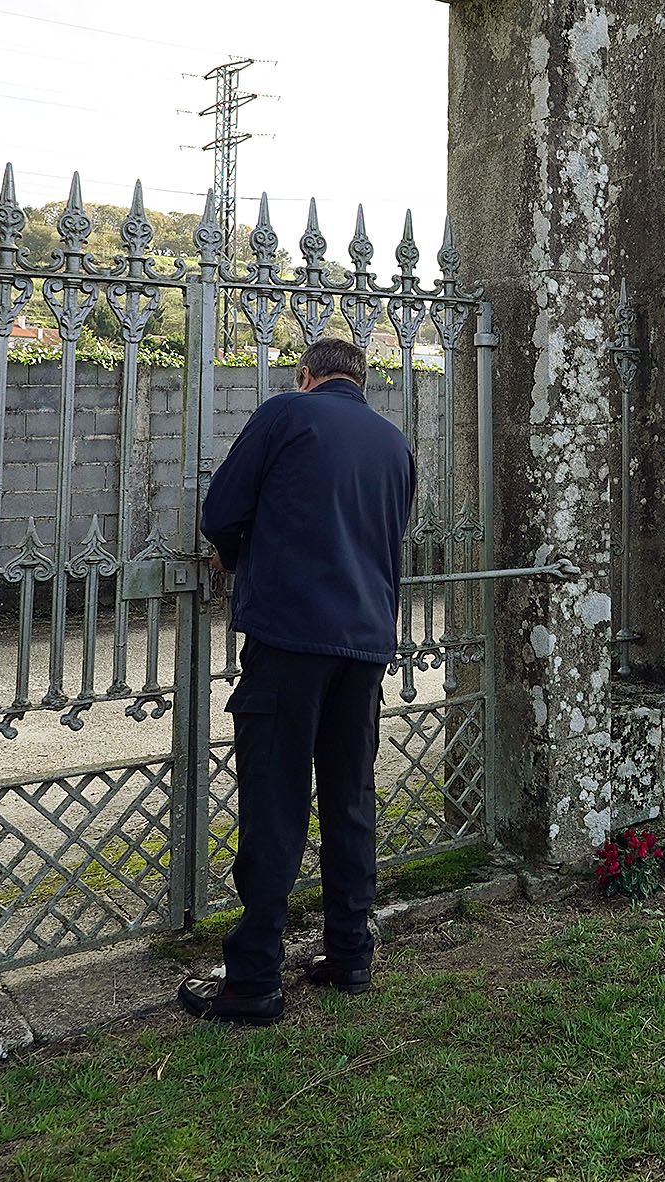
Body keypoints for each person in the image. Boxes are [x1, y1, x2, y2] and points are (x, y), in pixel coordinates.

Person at [177, 337, 415, 1026]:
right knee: (349, 798)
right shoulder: (393, 442)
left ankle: (253, 981)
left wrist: (234, 554)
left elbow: (221, 512)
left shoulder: (286, 413)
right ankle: (349, 954)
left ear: (306, 375)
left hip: (290, 637)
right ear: (360, 382)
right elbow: (391, 531)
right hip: (366, 642)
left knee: (276, 801)